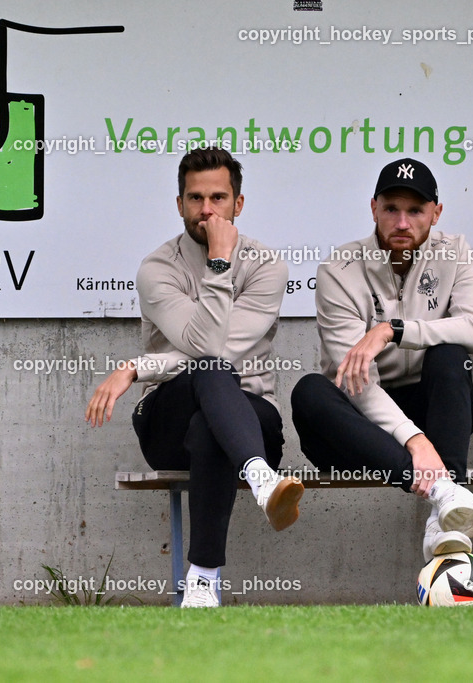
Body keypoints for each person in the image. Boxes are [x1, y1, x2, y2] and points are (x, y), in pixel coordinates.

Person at [85, 146, 303, 608]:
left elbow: (219, 349)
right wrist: (220, 263)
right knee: (207, 372)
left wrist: (137, 365)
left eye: (219, 198)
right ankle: (259, 477)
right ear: (179, 203)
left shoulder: (267, 266)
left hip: (250, 415)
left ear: (237, 204)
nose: (207, 210)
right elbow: (207, 349)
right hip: (168, 416)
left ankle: (201, 579)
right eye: (195, 198)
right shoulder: (156, 268)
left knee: (214, 423)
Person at [290, 158, 473, 563]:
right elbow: (358, 382)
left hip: (434, 419)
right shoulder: (339, 269)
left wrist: (393, 329)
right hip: (357, 431)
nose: (402, 222)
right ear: (373, 209)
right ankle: (445, 493)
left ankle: (442, 516)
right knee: (309, 391)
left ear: (436, 212)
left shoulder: (454, 252)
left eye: (416, 210)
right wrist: (416, 441)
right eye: (391, 209)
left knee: (451, 353)